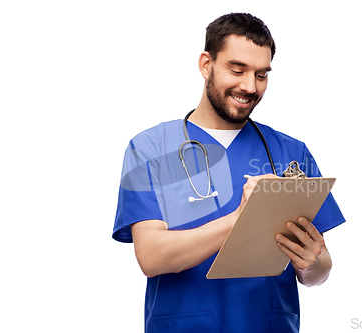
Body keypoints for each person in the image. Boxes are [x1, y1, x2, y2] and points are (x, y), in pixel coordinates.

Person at [113, 13, 345, 333]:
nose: (250, 86)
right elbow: (151, 256)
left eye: (261, 74)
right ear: (206, 64)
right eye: (237, 70)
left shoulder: (291, 153)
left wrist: (310, 265)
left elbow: (321, 268)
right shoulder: (150, 149)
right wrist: (241, 219)